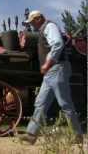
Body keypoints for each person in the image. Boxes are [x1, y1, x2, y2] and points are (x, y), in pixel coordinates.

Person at [19, 10, 83, 144]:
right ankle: (31, 134)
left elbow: (58, 44)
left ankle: (77, 135)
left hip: (57, 69)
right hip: (51, 73)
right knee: (40, 103)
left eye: (32, 22)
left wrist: (47, 63)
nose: (32, 25)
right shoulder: (43, 30)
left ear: (38, 19)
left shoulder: (49, 27)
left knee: (65, 103)